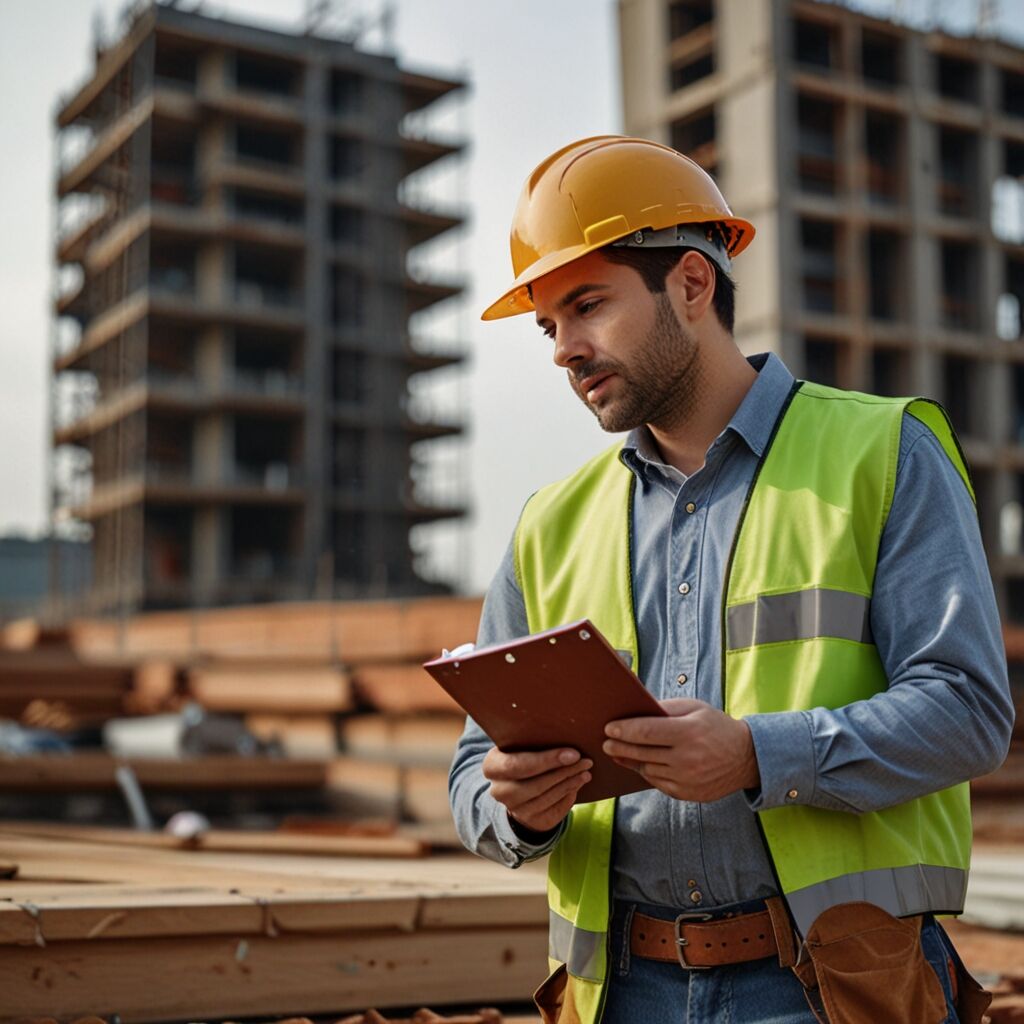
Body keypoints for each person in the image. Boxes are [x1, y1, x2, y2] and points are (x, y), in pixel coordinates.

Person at [448, 136, 1014, 1024]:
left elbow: (969, 712)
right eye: (549, 325)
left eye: (588, 304)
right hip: (618, 992)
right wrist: (518, 810)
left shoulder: (882, 452)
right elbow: (469, 775)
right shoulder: (547, 525)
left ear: (691, 284)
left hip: (828, 984)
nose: (564, 349)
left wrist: (757, 754)